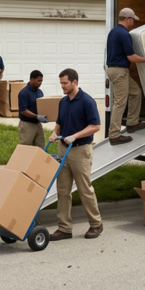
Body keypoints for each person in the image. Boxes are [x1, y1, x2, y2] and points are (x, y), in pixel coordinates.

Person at [48, 68, 103, 241]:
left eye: (65, 83)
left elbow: (96, 126)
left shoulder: (87, 101)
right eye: (61, 83)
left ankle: (96, 224)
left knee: (84, 189)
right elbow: (59, 123)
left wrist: (75, 136)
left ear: (75, 82)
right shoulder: (63, 102)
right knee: (62, 190)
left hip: (80, 150)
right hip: (63, 149)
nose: (62, 86)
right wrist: (55, 132)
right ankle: (64, 228)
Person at [105, 7, 145, 145]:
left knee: (136, 92)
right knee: (120, 102)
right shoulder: (124, 34)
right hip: (120, 71)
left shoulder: (113, 32)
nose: (134, 21)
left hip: (115, 70)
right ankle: (114, 135)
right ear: (127, 19)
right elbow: (131, 57)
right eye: (133, 19)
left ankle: (132, 123)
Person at [17, 70, 46, 147]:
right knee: (26, 148)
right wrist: (36, 116)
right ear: (32, 79)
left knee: (40, 146)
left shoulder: (40, 92)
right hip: (27, 124)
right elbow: (23, 110)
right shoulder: (24, 93)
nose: (40, 83)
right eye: (38, 81)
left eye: (41, 81)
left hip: (38, 124)